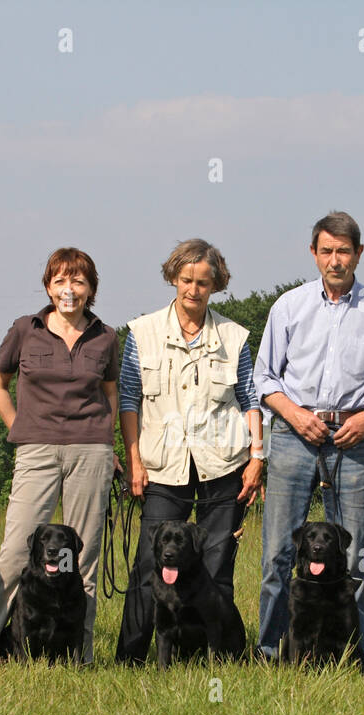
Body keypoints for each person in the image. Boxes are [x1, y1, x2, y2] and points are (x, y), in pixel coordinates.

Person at [252, 212, 364, 667]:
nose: (335, 260)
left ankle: (349, 657)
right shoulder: (288, 307)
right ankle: (270, 652)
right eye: (326, 251)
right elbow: (264, 378)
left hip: (354, 439)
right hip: (294, 435)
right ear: (313, 254)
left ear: (359, 253)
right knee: (280, 552)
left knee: (354, 558)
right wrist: (295, 415)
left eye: (343, 251)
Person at [115, 239, 263, 665]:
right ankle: (131, 659)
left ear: (216, 285)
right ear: (172, 278)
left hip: (224, 463)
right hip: (161, 466)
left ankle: (223, 659)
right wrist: (135, 463)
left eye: (203, 282)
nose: (193, 290)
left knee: (216, 568)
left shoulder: (234, 337)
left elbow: (250, 399)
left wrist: (257, 458)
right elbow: (129, 399)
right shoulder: (141, 332)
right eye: (186, 280)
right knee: (150, 566)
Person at [0, 248, 119, 664]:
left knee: (82, 558)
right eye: (60, 281)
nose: (68, 290)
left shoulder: (106, 336)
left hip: (90, 450)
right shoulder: (25, 329)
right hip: (36, 449)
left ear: (91, 289)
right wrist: (17, 427)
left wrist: (108, 445)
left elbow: (111, 394)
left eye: (77, 281)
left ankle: (81, 656)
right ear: (48, 286)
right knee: (16, 553)